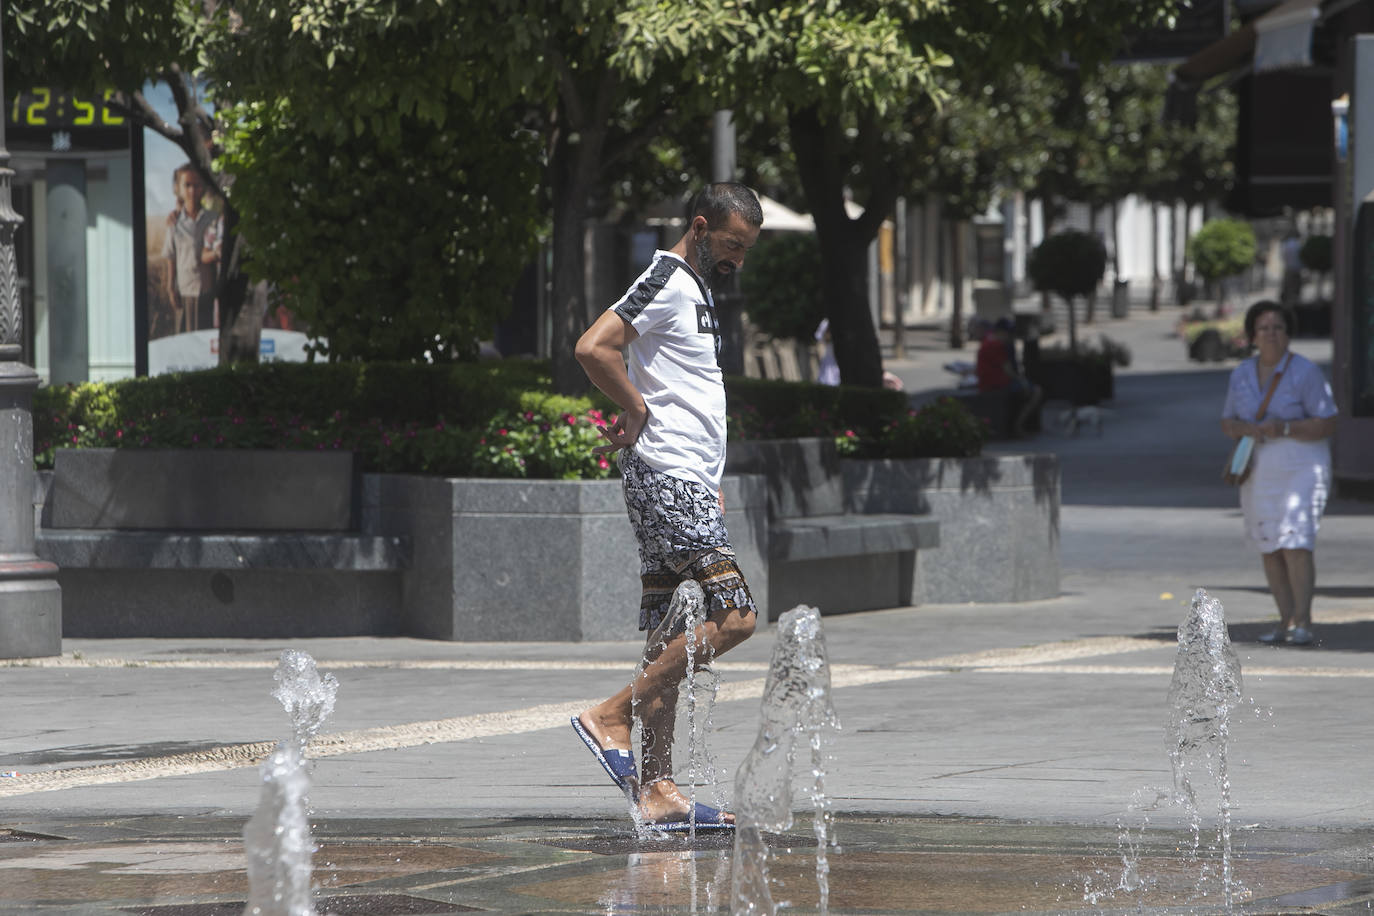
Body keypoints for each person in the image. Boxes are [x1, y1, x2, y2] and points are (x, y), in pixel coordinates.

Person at [571, 182, 763, 829]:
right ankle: (610, 715)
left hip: (686, 479)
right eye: (731, 244)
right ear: (701, 226)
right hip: (667, 475)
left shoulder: (699, 290)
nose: (737, 258)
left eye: (746, 249)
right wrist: (634, 407)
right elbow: (594, 346)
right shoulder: (667, 275)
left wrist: (710, 476)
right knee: (735, 619)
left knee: (671, 640)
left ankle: (656, 790)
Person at [1221, 300, 1338, 646]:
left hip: (1301, 463)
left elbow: (1327, 421)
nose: (1271, 334)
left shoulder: (1305, 371)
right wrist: (1243, 428)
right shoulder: (1241, 374)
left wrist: (1284, 428)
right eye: (1264, 328)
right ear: (1252, 335)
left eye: (1278, 327)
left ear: (1288, 333)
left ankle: (1303, 621)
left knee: (1296, 541)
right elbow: (1226, 421)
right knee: (1269, 543)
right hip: (1259, 466)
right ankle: (1284, 620)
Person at [162, 165, 220, 334]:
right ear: (179, 189)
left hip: (207, 290)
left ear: (203, 188)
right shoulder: (174, 223)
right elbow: (171, 256)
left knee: (205, 336)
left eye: (197, 185)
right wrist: (170, 287)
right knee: (185, 339)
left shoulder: (212, 218)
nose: (192, 191)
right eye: (187, 185)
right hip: (185, 290)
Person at [975, 317, 1042, 437]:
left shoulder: (989, 341)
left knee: (1025, 390)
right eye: (1008, 333)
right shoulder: (996, 344)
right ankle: (1018, 426)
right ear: (1000, 332)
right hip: (995, 383)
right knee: (1036, 391)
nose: (1010, 337)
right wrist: (1022, 381)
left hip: (991, 382)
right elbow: (1008, 370)